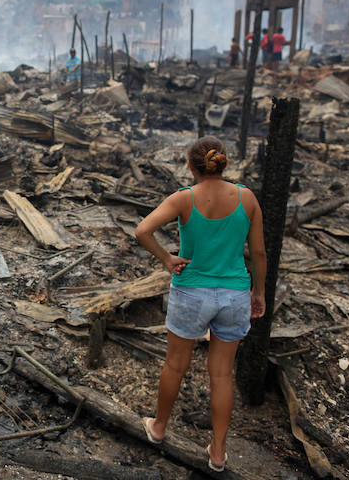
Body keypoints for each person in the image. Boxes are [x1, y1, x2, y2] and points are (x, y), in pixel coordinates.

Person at [135, 136, 267, 473]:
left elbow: (143, 230)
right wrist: (259, 293)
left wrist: (167, 258)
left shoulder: (184, 199)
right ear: (222, 163)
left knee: (175, 365)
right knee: (222, 376)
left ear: (191, 166)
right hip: (234, 293)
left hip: (191, 291)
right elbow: (259, 253)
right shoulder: (246, 198)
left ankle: (159, 427)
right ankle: (219, 452)